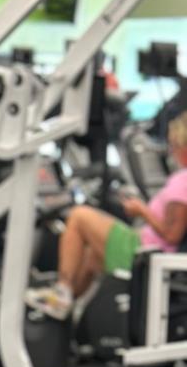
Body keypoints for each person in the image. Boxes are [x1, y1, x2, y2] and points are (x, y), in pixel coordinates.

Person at [25, 112, 187, 320]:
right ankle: (66, 313)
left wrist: (142, 211)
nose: (171, 150)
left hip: (142, 251)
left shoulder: (182, 182)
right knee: (92, 257)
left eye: (173, 144)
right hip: (146, 247)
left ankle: (62, 290)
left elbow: (171, 235)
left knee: (79, 216)